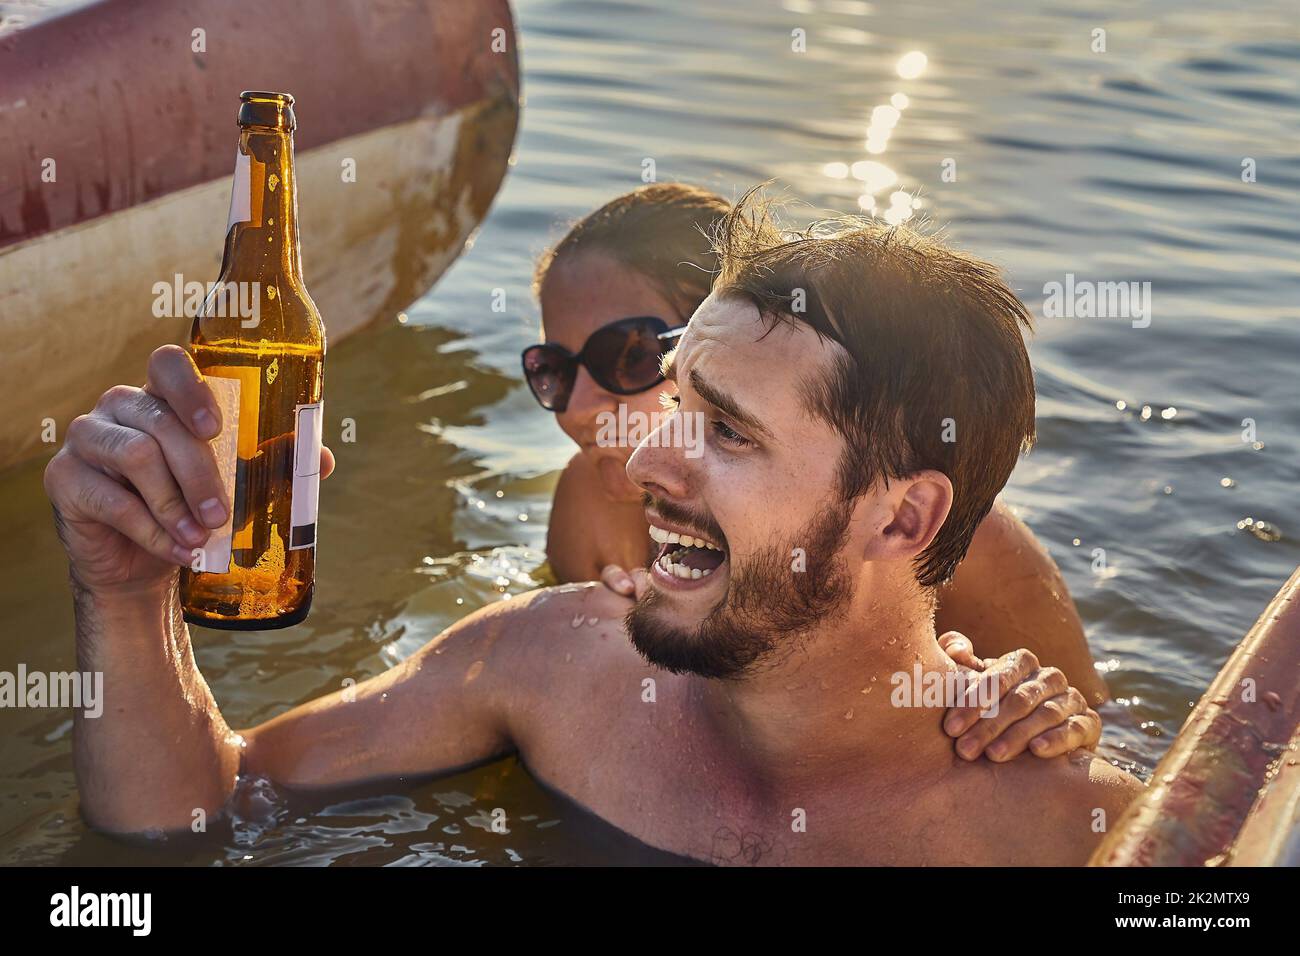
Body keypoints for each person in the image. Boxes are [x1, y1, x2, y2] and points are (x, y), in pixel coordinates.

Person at [45, 189, 1141, 864]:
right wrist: (130, 595)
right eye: (677, 400)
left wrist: (1046, 705)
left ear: (903, 515)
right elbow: (197, 817)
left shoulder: (1073, 835)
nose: (642, 455)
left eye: (728, 432)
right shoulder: (546, 661)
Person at [528, 184, 1108, 721]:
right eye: (552, 370)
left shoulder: (965, 540)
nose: (576, 407)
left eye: (625, 355)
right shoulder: (590, 501)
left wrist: (1032, 707)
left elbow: (1103, 728)